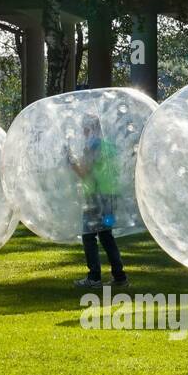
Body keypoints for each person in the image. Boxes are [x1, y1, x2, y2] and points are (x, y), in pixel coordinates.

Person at [66, 113, 128, 289]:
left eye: (84, 129)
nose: (83, 133)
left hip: (96, 196)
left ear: (89, 129)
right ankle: (119, 276)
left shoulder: (92, 147)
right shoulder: (109, 146)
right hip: (110, 196)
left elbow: (84, 172)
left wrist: (70, 161)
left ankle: (94, 278)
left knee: (88, 236)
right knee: (106, 235)